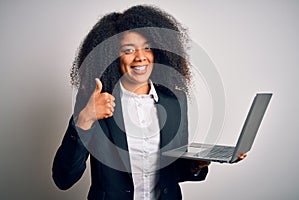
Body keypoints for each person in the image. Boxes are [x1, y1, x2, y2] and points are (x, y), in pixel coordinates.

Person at [52, 5, 244, 200]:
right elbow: (63, 178)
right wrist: (85, 119)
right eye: (128, 50)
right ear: (112, 56)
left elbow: (172, 173)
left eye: (147, 48)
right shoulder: (96, 102)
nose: (141, 57)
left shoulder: (174, 100)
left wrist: (196, 165)